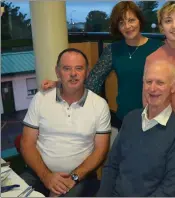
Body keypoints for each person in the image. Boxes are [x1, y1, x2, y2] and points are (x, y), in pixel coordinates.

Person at [41, 2, 163, 129]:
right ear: (118, 27)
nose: (127, 26)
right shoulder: (113, 50)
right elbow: (93, 81)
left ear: (140, 21)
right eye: (122, 23)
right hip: (126, 117)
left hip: (155, 115)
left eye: (131, 20)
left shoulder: (158, 48)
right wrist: (60, 84)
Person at [20, 48, 112, 197]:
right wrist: (46, 177)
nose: (73, 74)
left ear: (87, 72)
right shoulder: (41, 98)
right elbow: (27, 143)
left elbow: (100, 151)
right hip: (38, 173)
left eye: (79, 68)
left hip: (80, 179)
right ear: (57, 72)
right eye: (67, 68)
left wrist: (74, 178)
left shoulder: (100, 105)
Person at [96, 60, 175, 197]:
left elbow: (171, 187)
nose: (152, 89)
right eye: (148, 82)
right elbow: (112, 166)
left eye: (160, 83)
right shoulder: (131, 119)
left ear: (173, 87)